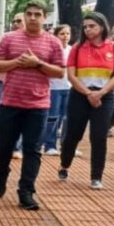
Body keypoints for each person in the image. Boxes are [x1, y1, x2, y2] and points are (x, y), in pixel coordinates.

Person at [0, 0, 65, 210]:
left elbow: (60, 72)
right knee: (3, 148)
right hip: (10, 103)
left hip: (38, 105)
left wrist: (38, 64)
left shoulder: (52, 43)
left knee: (33, 150)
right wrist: (17, 62)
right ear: (24, 16)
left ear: (45, 17)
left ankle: (26, 192)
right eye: (29, 13)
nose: (32, 18)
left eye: (37, 14)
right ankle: (1, 176)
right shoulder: (9, 39)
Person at [57, 12, 114, 190]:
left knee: (99, 136)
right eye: (85, 26)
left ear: (102, 26)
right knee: (73, 134)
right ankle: (64, 164)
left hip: (105, 95)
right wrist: (88, 94)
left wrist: (101, 93)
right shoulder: (78, 48)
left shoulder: (113, 47)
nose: (88, 30)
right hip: (80, 95)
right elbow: (71, 76)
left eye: (92, 26)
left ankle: (96, 176)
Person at [0, 13, 26, 155]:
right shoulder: (7, 39)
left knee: (23, 116)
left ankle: (16, 148)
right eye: (14, 21)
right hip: (3, 83)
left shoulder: (36, 41)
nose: (15, 23)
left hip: (24, 85)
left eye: (19, 21)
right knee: (3, 116)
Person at [40, 24, 72, 155]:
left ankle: (67, 146)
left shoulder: (72, 50)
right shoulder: (50, 50)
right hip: (54, 88)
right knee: (53, 117)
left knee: (67, 118)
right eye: (62, 34)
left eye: (67, 34)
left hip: (69, 87)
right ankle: (49, 145)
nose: (65, 37)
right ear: (56, 36)